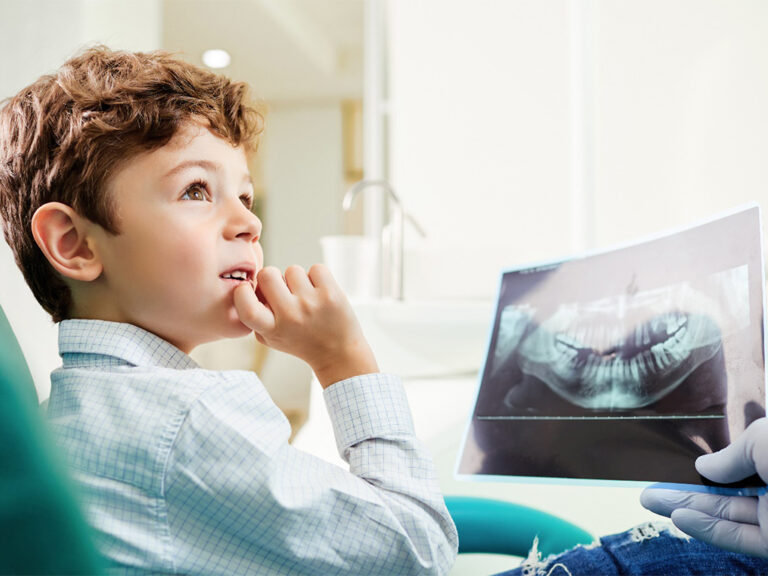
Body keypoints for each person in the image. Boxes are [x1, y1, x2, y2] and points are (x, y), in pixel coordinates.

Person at [0, 46, 458, 575]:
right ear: (75, 244)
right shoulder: (183, 417)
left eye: (245, 196)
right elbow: (419, 555)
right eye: (196, 190)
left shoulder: (81, 408)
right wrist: (342, 359)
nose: (248, 223)